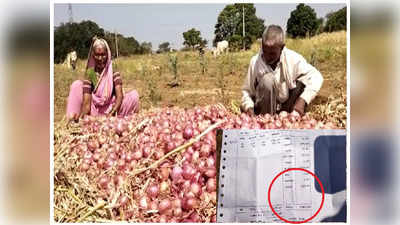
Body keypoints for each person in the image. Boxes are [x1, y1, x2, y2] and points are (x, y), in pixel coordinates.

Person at [241, 25, 323, 116]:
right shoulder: (255, 62)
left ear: (282, 47)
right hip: (264, 109)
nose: (267, 57)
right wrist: (248, 107)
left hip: (288, 106)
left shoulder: (293, 58)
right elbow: (247, 91)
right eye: (264, 51)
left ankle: (292, 117)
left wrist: (303, 100)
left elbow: (316, 77)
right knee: (267, 80)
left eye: (272, 53)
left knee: (302, 81)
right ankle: (267, 121)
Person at [66, 37, 139, 122]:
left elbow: (119, 96)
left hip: (111, 108)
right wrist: (82, 119)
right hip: (94, 111)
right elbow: (87, 103)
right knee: (77, 85)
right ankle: (74, 119)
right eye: (97, 55)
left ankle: (114, 119)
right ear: (93, 55)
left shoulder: (112, 70)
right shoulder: (91, 73)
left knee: (134, 96)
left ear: (107, 54)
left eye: (103, 55)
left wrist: (111, 114)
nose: (100, 58)